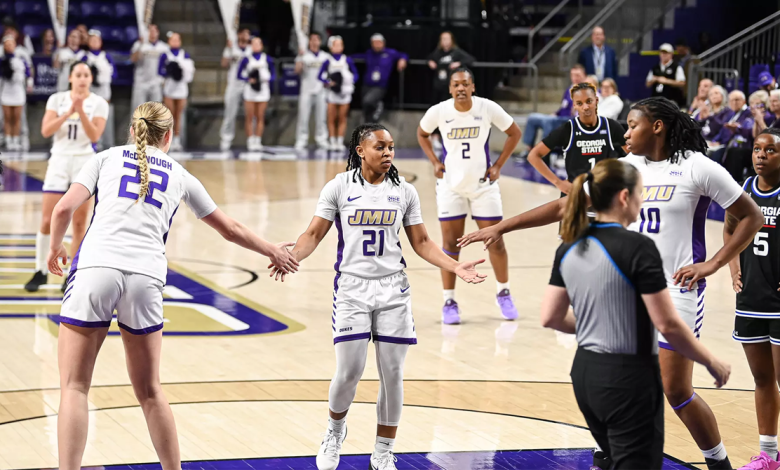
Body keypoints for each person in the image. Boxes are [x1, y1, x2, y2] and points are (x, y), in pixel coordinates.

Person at [459, 97, 764, 470]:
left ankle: (718, 463)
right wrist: (501, 226)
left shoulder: (698, 167)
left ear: (657, 127)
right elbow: (564, 206)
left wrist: (713, 263)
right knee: (622, 378)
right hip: (626, 287)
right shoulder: (625, 167)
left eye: (632, 125)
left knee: (676, 390)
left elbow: (751, 215)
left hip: (677, 288)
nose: (626, 133)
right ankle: (616, 449)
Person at [46, 101, 299, 470]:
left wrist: (56, 247)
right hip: (146, 277)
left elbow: (62, 210)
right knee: (150, 392)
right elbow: (230, 229)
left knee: (74, 387)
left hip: (96, 269)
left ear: (132, 131)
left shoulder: (105, 159)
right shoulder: (181, 175)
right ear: (169, 136)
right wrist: (272, 249)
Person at [270, 123, 487, 470]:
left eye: (391, 148)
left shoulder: (404, 191)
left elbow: (422, 243)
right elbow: (313, 233)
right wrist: (291, 254)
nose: (388, 153)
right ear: (360, 151)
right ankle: (334, 431)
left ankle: (383, 450)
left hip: (392, 289)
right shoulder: (339, 187)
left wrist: (455, 266)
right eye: (380, 147)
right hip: (353, 287)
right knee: (349, 371)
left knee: (392, 373)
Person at [543, 159, 731, 470]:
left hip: (585, 376)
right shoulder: (637, 246)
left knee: (613, 460)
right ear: (623, 198)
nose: (643, 202)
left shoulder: (568, 245)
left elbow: (550, 317)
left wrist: (600, 324)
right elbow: (667, 324)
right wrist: (710, 360)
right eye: (641, 194)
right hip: (628, 379)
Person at [417, 67, 522, 324]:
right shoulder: (440, 111)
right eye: (456, 85)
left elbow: (514, 133)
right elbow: (421, 133)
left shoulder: (486, 108)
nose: (461, 88)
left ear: (473, 87)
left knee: (495, 240)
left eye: (465, 84)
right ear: (450, 88)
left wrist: (498, 165)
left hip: (483, 186)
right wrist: (434, 161)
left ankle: (503, 293)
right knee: (450, 245)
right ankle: (449, 301)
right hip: (450, 186)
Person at [24, 62, 108, 293]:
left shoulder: (99, 103)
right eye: (78, 74)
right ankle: (41, 270)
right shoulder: (57, 99)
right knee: (47, 220)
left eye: (86, 75)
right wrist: (69, 111)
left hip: (85, 162)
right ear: (70, 77)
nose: (82, 79)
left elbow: (95, 135)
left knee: (80, 223)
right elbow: (45, 130)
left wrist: (80, 111)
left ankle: (71, 274)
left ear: (91, 79)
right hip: (59, 160)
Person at [728, 128, 780, 470]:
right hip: (750, 299)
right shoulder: (744, 190)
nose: (761, 154)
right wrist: (733, 265)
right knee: (762, 379)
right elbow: (730, 226)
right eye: (757, 148)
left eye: (771, 150)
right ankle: (768, 455)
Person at [526, 82, 627, 195]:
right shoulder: (568, 129)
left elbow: (633, 154)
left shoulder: (611, 126)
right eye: (579, 103)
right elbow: (533, 155)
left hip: (602, 195)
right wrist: (558, 182)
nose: (585, 107)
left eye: (589, 101)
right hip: (575, 195)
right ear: (574, 105)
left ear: (597, 101)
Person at [520, 64, 586, 154]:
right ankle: (529, 149)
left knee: (548, 122)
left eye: (578, 75)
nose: (575, 78)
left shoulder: (586, 90)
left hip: (571, 120)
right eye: (573, 75)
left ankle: (542, 152)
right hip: (559, 118)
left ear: (584, 76)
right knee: (532, 117)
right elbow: (563, 107)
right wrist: (555, 113)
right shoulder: (569, 89)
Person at [352, 33, 408, 123]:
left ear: (383, 43)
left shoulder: (390, 53)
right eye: (375, 43)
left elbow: (403, 54)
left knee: (368, 101)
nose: (377, 45)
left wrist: (403, 60)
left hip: (380, 85)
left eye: (379, 42)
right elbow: (357, 56)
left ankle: (379, 106)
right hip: (367, 84)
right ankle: (369, 125)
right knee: (365, 106)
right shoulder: (369, 53)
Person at [319, 36, 358, 151]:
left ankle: (339, 141)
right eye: (336, 45)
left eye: (340, 45)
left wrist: (350, 81)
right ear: (331, 47)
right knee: (332, 117)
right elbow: (320, 76)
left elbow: (355, 74)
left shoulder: (347, 59)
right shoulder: (328, 60)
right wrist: (327, 82)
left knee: (342, 117)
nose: (338, 47)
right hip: (332, 93)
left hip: (344, 93)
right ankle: (332, 141)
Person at [158, 32, 194, 152]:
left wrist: (181, 69)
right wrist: (169, 71)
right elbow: (160, 71)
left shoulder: (185, 55)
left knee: (178, 115)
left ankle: (177, 139)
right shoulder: (165, 55)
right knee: (169, 115)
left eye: (177, 40)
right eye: (172, 40)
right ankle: (168, 139)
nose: (175, 42)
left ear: (180, 41)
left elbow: (190, 71)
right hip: (169, 87)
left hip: (181, 88)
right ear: (169, 41)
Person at [237, 36, 273, 151]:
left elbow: (274, 75)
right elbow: (238, 75)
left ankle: (258, 140)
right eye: (253, 44)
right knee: (249, 116)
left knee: (260, 116)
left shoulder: (266, 58)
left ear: (262, 46)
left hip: (263, 90)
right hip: (250, 91)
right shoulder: (246, 59)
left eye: (258, 44)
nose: (256, 46)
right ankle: (250, 140)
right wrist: (248, 79)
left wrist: (266, 78)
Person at [294, 32, 328, 150]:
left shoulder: (325, 56)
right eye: (312, 40)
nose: (314, 42)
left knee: (321, 117)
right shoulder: (304, 55)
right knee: (303, 117)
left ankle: (322, 139)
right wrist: (300, 57)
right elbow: (297, 71)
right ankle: (301, 140)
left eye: (316, 40)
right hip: (306, 91)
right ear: (309, 42)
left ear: (320, 42)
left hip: (321, 91)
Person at [218, 27, 250, 152]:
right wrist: (229, 50)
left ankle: (252, 139)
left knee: (250, 113)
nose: (247, 36)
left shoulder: (251, 48)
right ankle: (226, 139)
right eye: (245, 33)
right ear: (239, 34)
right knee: (230, 113)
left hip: (248, 85)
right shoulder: (231, 48)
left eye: (248, 34)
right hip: (233, 84)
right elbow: (224, 64)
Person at [0, 35, 31, 151]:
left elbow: (28, 73)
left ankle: (16, 140)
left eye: (11, 44)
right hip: (6, 91)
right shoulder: (2, 61)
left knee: (17, 118)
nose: (9, 47)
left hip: (18, 92)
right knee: (7, 118)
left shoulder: (20, 60)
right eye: (7, 45)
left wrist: (27, 81)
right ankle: (8, 140)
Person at [427, 31, 475, 104]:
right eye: (443, 39)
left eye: (447, 39)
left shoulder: (456, 52)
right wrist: (430, 61)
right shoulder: (438, 52)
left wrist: (459, 63)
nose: (445, 41)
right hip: (439, 83)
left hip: (451, 84)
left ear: (451, 40)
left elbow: (470, 59)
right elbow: (429, 57)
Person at [130, 24, 168, 112]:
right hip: (141, 82)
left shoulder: (164, 47)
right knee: (138, 111)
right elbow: (133, 59)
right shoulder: (139, 45)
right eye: (149, 31)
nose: (152, 33)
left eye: (154, 31)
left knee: (156, 112)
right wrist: (140, 45)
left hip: (156, 83)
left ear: (158, 32)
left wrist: (163, 81)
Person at [646, 43, 686, 108]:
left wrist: (666, 81)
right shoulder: (655, 68)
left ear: (671, 54)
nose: (663, 55)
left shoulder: (676, 67)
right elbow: (647, 84)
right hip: (656, 100)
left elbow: (682, 83)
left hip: (671, 100)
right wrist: (654, 80)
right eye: (662, 53)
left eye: (666, 53)